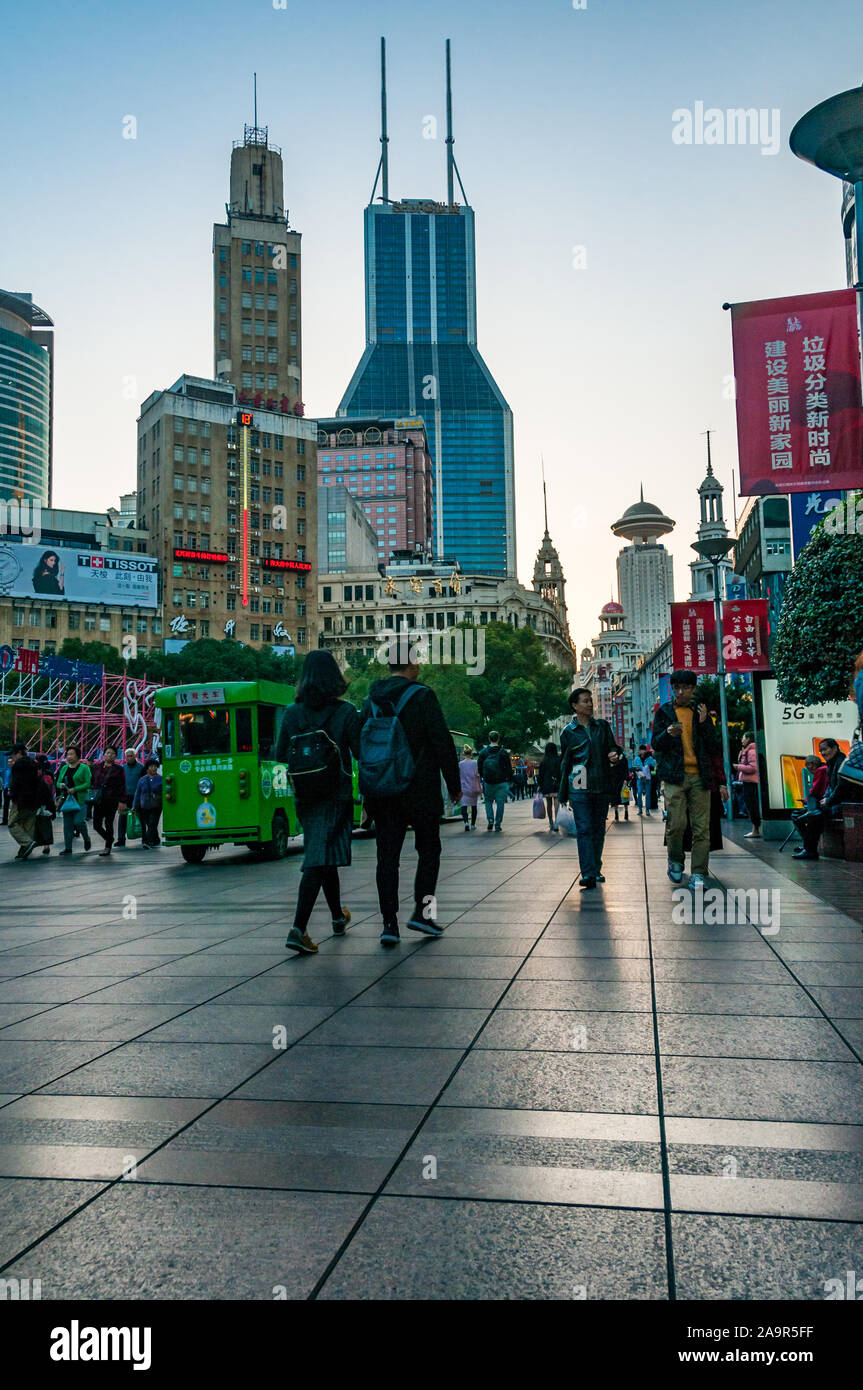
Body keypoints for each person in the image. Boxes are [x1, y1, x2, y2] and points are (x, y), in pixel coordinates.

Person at [360, 651, 461, 946]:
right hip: (421, 788)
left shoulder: (371, 700)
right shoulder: (423, 696)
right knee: (429, 851)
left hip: (384, 789)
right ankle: (424, 913)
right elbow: (442, 740)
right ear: (412, 665)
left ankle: (389, 924)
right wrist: (453, 784)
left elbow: (361, 743)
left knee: (387, 858)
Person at [276, 650, 362, 955]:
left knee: (322, 854)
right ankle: (298, 929)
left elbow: (279, 755)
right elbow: (361, 752)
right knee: (317, 859)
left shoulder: (291, 713)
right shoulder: (346, 712)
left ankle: (338, 917)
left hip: (305, 797)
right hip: (335, 795)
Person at [652, 670, 720, 887]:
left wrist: (704, 723)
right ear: (672, 688)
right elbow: (656, 743)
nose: (681, 692)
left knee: (702, 828)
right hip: (674, 777)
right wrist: (667, 734)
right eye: (677, 688)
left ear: (693, 689)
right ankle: (675, 860)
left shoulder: (701, 711)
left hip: (700, 776)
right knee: (677, 824)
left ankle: (698, 872)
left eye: (686, 688)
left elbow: (713, 745)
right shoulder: (664, 712)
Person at [558, 688, 623, 889]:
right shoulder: (568, 732)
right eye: (585, 701)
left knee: (597, 829)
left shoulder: (602, 727)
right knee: (584, 829)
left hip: (600, 782)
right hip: (578, 784)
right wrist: (564, 792)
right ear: (575, 706)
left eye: (590, 701)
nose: (589, 704)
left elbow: (614, 748)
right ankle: (588, 873)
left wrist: (614, 754)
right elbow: (566, 763)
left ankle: (595, 867)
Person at [793, 738, 845, 861]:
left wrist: (828, 800)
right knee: (802, 814)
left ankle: (810, 849)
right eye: (820, 750)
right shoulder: (831, 764)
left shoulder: (840, 763)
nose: (822, 752)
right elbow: (831, 787)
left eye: (825, 749)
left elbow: (841, 787)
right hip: (832, 802)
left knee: (813, 816)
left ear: (834, 748)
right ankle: (808, 847)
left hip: (841, 805)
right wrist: (826, 799)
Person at [7, 745, 50, 860]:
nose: (12, 757)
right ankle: (24, 850)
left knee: (11, 823)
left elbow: (18, 784)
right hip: (35, 800)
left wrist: (13, 796)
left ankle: (27, 843)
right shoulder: (34, 764)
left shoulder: (19, 765)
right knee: (28, 825)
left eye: (13, 754)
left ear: (19, 753)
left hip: (21, 800)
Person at [55, 746, 92, 854]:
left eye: (72, 754)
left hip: (80, 799)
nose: (69, 756)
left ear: (78, 756)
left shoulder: (84, 768)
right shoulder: (64, 768)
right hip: (67, 800)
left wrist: (75, 789)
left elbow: (88, 783)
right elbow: (57, 782)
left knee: (78, 821)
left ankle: (86, 838)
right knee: (67, 825)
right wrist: (60, 785)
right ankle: (68, 848)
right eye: (68, 754)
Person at [91, 745, 126, 857]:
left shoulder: (119, 769)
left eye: (112, 753)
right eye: (107, 753)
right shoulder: (96, 767)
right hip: (98, 800)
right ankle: (109, 839)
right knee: (96, 825)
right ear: (103, 754)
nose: (109, 755)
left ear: (115, 756)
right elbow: (92, 782)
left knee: (109, 823)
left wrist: (122, 801)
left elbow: (122, 786)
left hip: (111, 800)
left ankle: (107, 847)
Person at [477, 732, 513, 832]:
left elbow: (479, 766)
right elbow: (508, 768)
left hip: (488, 781)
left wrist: (483, 776)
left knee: (488, 801)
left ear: (489, 739)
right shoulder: (503, 752)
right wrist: (509, 779)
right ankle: (498, 823)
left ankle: (490, 820)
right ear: (498, 739)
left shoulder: (483, 752)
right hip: (501, 781)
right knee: (500, 802)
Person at [116, 748, 145, 848]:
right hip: (125, 796)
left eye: (131, 756)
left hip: (138, 796)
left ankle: (145, 838)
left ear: (135, 756)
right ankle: (121, 839)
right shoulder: (122, 768)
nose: (129, 758)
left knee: (141, 817)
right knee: (122, 817)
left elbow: (144, 782)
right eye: (127, 756)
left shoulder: (141, 768)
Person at [735, 732, 762, 839]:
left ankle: (755, 829)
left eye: (743, 738)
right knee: (750, 805)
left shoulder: (751, 751)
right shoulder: (748, 751)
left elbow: (753, 768)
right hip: (748, 781)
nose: (742, 740)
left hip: (751, 782)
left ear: (748, 739)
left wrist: (738, 767)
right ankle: (755, 829)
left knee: (752, 805)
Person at [133, 758, 163, 847]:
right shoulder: (142, 780)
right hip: (144, 806)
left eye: (155, 766)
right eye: (151, 766)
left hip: (156, 806)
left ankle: (147, 841)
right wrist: (135, 806)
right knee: (149, 824)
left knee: (152, 823)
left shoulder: (161, 779)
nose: (153, 768)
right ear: (147, 768)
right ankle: (156, 840)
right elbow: (137, 793)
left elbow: (164, 792)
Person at [537, 742, 561, 831]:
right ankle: (557, 823)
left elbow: (540, 775)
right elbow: (561, 773)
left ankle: (551, 822)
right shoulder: (558, 760)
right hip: (557, 784)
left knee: (549, 804)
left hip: (547, 785)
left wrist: (540, 785)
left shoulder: (544, 761)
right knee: (557, 803)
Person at [458, 744, 482, 831]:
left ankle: (466, 823)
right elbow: (478, 774)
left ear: (464, 754)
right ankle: (473, 824)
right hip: (473, 787)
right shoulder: (475, 763)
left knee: (464, 806)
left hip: (464, 788)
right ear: (471, 754)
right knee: (474, 806)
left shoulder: (460, 764)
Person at [632, 745, 656, 817]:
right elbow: (633, 767)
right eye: (641, 750)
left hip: (647, 779)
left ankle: (647, 809)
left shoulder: (649, 758)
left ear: (645, 751)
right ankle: (640, 809)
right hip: (640, 778)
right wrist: (636, 768)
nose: (642, 751)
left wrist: (651, 757)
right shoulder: (636, 758)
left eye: (643, 750)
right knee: (639, 793)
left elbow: (654, 764)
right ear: (639, 751)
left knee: (648, 794)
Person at [610, 752, 631, 822]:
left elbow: (626, 770)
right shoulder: (609, 758)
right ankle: (616, 814)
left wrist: (626, 779)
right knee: (615, 798)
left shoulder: (623, 758)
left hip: (622, 780)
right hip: (613, 781)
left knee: (624, 797)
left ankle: (626, 812)